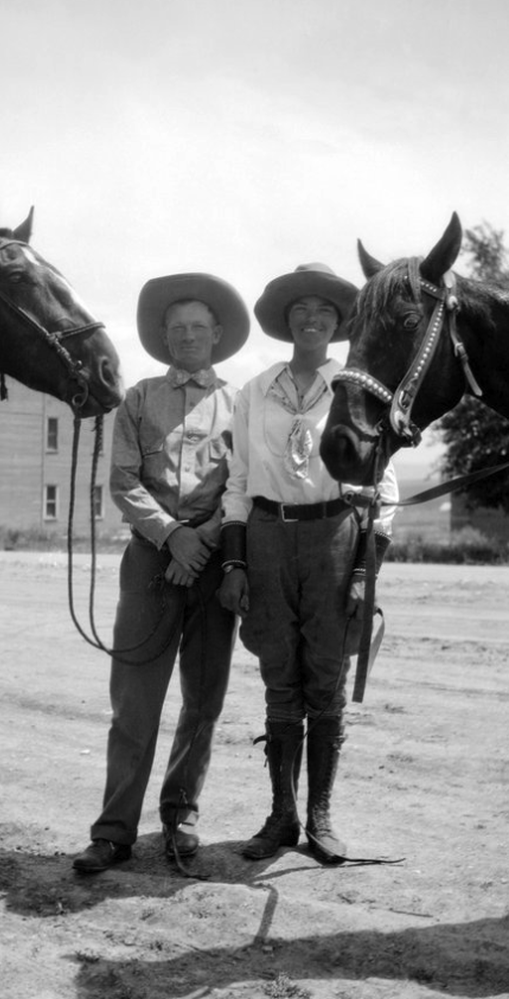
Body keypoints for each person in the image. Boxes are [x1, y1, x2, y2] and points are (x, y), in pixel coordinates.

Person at [218, 262, 398, 864]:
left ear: (340, 322)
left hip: (336, 538)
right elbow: (239, 483)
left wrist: (366, 571)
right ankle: (281, 816)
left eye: (324, 310)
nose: (312, 319)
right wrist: (235, 564)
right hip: (267, 538)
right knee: (279, 680)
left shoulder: (359, 388)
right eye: (301, 310)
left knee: (327, 680)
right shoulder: (254, 390)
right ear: (286, 320)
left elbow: (385, 487)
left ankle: (320, 815)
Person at [73, 273, 249, 873]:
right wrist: (171, 536)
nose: (188, 337)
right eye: (177, 329)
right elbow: (123, 482)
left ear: (218, 336)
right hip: (151, 560)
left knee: (203, 700)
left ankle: (180, 816)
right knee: (135, 703)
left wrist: (201, 542)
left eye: (199, 328)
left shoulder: (240, 404)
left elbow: (243, 485)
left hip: (212, 560)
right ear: (164, 338)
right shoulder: (138, 399)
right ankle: (114, 831)